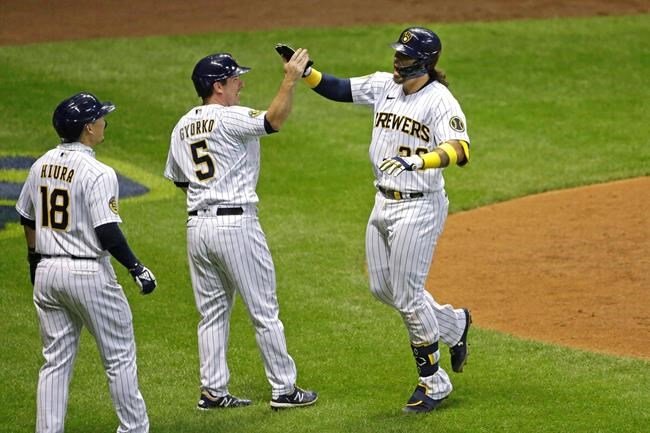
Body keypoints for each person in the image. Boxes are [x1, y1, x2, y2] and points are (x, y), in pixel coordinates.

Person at [297, 27, 472, 412]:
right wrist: (305, 70)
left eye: (405, 57)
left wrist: (419, 160)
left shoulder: (439, 100)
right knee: (383, 289)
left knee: (407, 296)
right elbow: (339, 88)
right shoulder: (384, 86)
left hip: (419, 206)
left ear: (424, 63)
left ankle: (434, 382)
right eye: (397, 53)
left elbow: (460, 149)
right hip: (383, 202)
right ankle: (454, 325)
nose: (397, 60)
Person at [163, 50, 318, 410]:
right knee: (264, 309)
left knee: (212, 312)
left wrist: (209, 194)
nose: (241, 84)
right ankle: (284, 388)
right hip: (235, 224)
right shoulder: (229, 118)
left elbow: (179, 179)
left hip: (197, 227)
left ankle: (213, 390)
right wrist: (290, 79)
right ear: (217, 86)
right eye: (235, 80)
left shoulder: (182, 125)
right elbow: (273, 120)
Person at [16, 92, 157, 433]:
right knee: (119, 355)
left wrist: (36, 265)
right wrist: (136, 267)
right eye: (100, 118)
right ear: (88, 129)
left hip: (48, 271)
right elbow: (106, 229)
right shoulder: (98, 171)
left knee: (55, 361)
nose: (104, 121)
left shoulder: (40, 164)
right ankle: (134, 429)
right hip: (88, 272)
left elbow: (27, 218)